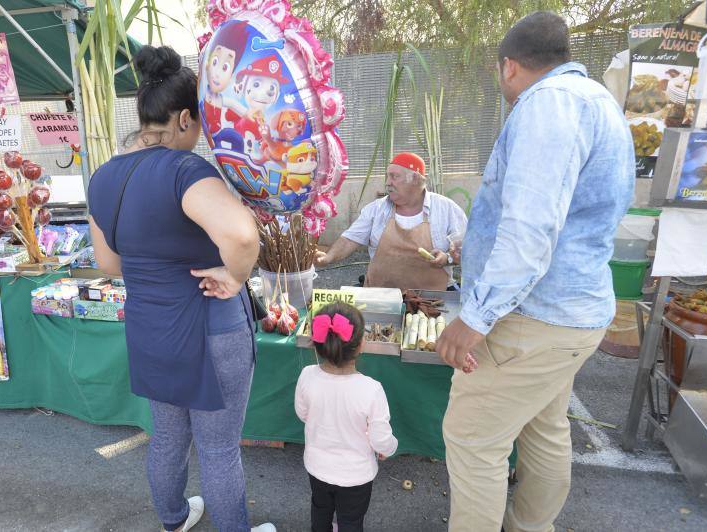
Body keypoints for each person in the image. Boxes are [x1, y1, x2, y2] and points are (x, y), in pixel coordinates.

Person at [435, 12, 634, 532]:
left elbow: (530, 229)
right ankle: (531, 525)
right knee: (544, 427)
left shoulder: (549, 104)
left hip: (531, 318)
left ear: (509, 67)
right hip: (573, 314)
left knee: (472, 438)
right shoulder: (599, 101)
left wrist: (475, 317)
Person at [87, 45, 274, 532]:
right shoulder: (185, 169)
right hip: (209, 327)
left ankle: (173, 519)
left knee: (168, 437)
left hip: (150, 328)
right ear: (187, 118)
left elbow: (108, 262)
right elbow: (241, 236)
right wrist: (235, 276)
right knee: (216, 446)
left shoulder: (103, 177)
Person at [295, 302, 398, 532]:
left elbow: (302, 413)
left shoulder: (307, 376)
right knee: (351, 521)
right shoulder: (371, 389)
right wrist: (389, 447)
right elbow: (381, 440)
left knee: (320, 511)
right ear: (361, 344)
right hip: (356, 476)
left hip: (317, 467)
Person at [315, 153, 467, 290]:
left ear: (415, 178)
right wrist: (328, 257)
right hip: (382, 296)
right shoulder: (376, 209)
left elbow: (467, 249)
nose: (388, 182)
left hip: (433, 298)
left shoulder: (446, 209)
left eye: (394, 177)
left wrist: (447, 258)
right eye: (387, 176)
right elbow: (350, 239)